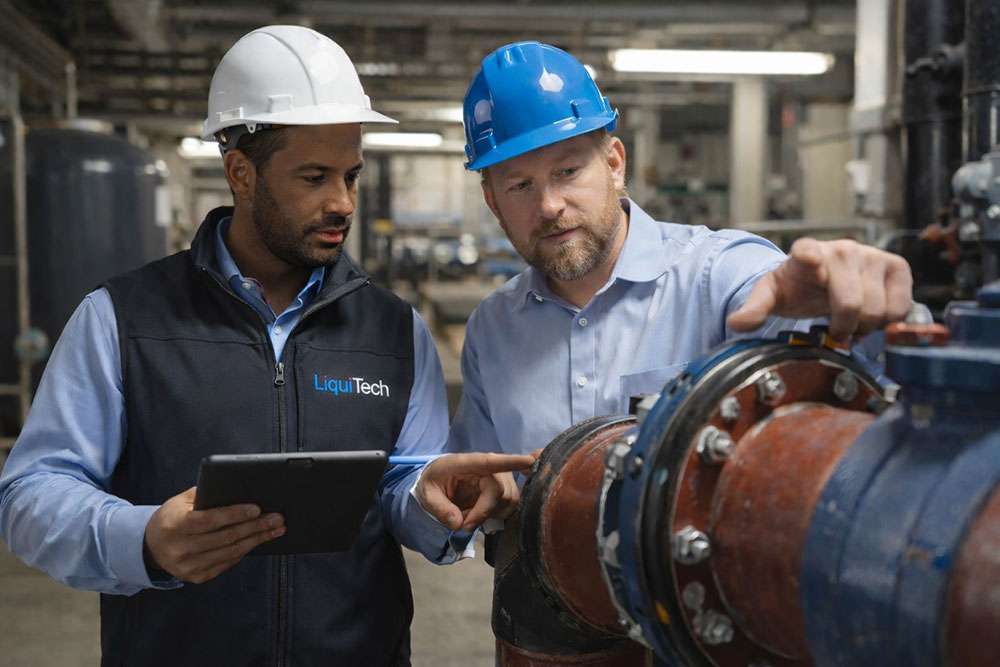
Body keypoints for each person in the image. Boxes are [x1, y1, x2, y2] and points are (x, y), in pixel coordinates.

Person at [0, 26, 532, 666]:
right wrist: (142, 539)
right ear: (241, 173)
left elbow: (398, 490)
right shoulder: (122, 319)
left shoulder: (394, 330)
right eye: (314, 177)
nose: (342, 202)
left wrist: (431, 501)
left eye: (351, 175)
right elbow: (32, 493)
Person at [448, 40, 913, 458]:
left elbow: (859, 365)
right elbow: (478, 484)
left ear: (613, 164)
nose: (549, 206)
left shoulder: (719, 277)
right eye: (521, 186)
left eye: (568, 172)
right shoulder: (493, 330)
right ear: (493, 201)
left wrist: (856, 309)